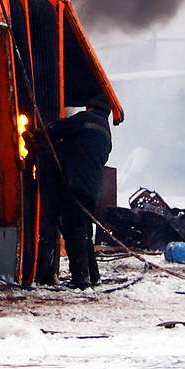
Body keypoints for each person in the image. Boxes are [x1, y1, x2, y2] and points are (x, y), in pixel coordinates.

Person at [44, 93, 113, 289]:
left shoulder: (86, 119)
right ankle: (93, 276)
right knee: (84, 233)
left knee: (75, 233)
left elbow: (58, 129)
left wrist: (39, 133)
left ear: (90, 107)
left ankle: (80, 279)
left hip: (76, 185)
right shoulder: (105, 132)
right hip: (92, 189)